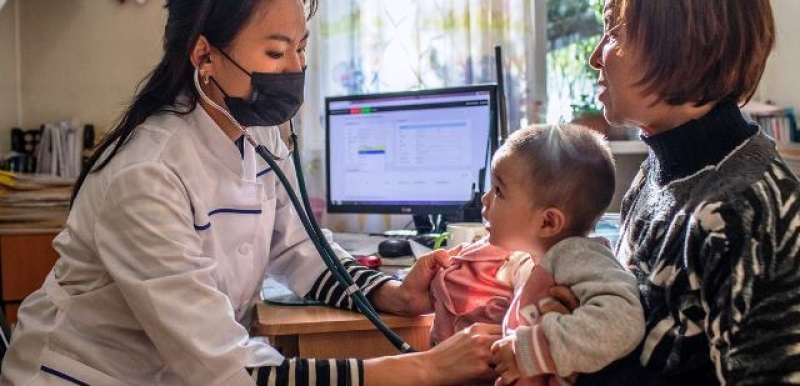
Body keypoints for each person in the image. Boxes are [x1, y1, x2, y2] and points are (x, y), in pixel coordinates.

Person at [0, 1, 501, 385]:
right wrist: (424, 369)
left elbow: (300, 247)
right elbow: (231, 371)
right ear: (205, 56)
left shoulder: (255, 133)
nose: (294, 70)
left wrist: (393, 293)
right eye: (276, 52)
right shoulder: (146, 176)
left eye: (301, 50)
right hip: (84, 376)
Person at [562, 0, 799, 384]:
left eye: (612, 30)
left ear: (681, 41)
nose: (594, 57)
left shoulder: (747, 211)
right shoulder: (661, 168)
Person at [430, 124, 645, 386]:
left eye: (499, 191)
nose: (485, 200)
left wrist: (529, 351)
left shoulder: (578, 256)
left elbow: (622, 324)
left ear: (548, 223)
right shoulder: (542, 259)